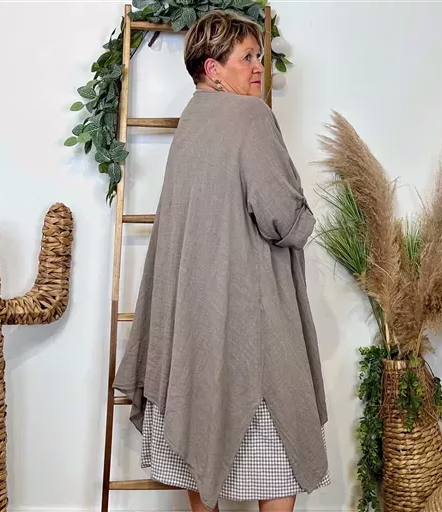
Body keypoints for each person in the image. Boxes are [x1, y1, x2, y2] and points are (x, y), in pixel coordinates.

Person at [113, 9, 330, 512]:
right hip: (250, 317)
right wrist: (302, 220)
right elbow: (280, 215)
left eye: (260, 57)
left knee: (200, 431)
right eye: (247, 57)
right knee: (278, 448)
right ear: (213, 69)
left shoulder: (192, 121)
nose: (258, 68)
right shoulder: (251, 116)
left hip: (194, 321)